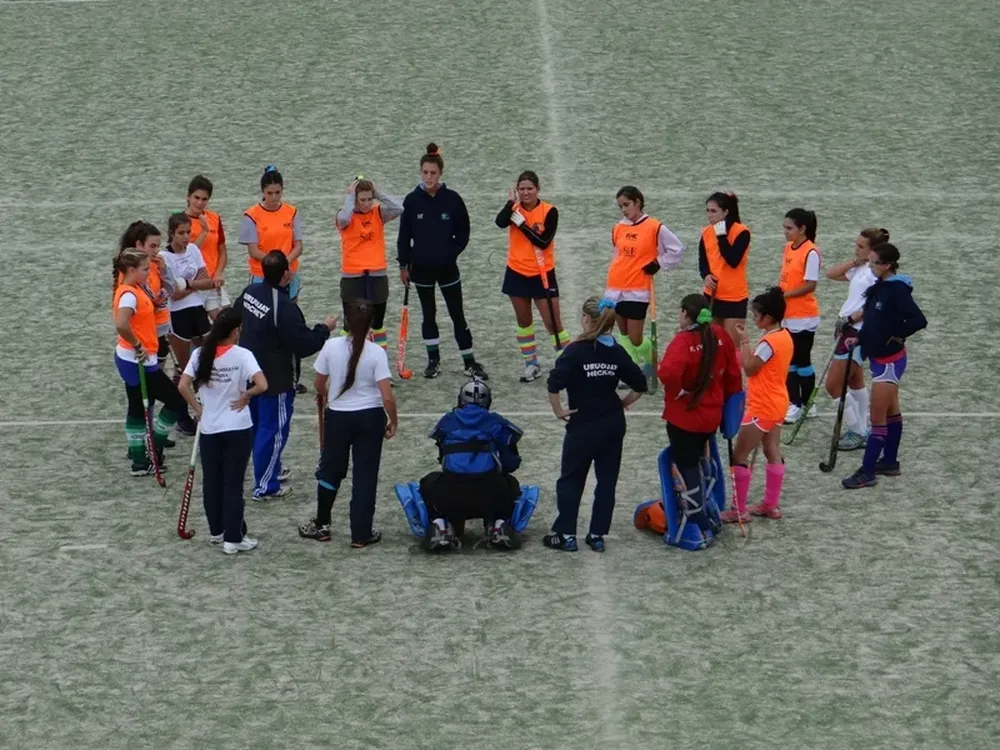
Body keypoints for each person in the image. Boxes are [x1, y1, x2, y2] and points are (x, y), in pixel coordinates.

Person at [544, 296, 648, 552]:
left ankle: (566, 535)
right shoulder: (615, 349)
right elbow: (641, 384)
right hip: (612, 424)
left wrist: (559, 410)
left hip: (583, 425)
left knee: (570, 479)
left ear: (587, 319)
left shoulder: (575, 351)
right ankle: (597, 535)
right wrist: (622, 403)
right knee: (607, 481)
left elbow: (554, 383)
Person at [236, 251, 336, 501]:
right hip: (276, 380)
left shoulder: (250, 292)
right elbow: (304, 345)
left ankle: (272, 468)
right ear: (286, 275)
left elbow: (235, 318)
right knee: (273, 431)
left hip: (250, 374)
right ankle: (265, 486)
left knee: (259, 427)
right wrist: (325, 329)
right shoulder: (286, 308)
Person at [298, 299, 398, 547]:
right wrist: (393, 420)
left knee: (330, 469)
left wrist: (327, 393)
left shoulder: (331, 347)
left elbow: (319, 385)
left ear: (346, 323)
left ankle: (322, 525)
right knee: (365, 475)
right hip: (370, 418)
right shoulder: (377, 353)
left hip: (338, 418)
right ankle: (361, 533)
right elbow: (386, 396)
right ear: (371, 325)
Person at [178, 308, 267, 555]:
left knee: (213, 481)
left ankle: (217, 531)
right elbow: (262, 385)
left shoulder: (199, 354)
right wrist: (246, 395)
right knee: (233, 484)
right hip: (237, 428)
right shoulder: (242, 355)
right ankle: (233, 537)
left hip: (210, 428)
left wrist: (198, 409)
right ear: (235, 331)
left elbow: (183, 385)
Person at [397, 143, 487, 380]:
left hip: (448, 269)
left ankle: (469, 361)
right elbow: (404, 236)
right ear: (420, 172)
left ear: (440, 173)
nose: (428, 177)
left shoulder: (453, 199)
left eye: (433, 173)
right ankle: (433, 361)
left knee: (457, 313)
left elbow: (464, 231)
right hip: (421, 271)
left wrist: (451, 252)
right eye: (425, 173)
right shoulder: (412, 201)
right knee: (429, 314)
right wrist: (403, 265)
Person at [841, 242, 927, 489]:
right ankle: (889, 461)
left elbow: (918, 319)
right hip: (879, 359)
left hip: (889, 363)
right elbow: (873, 320)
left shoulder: (897, 290)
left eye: (875, 262)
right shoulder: (879, 287)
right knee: (891, 413)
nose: (870, 266)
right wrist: (859, 338)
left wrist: (897, 334)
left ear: (887, 265)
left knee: (877, 419)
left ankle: (867, 471)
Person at [655, 293, 742, 529]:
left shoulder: (683, 342)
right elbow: (734, 376)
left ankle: (695, 515)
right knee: (703, 458)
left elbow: (667, 373)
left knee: (687, 464)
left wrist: (679, 390)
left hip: (686, 417)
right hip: (712, 415)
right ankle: (705, 502)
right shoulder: (720, 334)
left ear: (685, 314)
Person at [419, 378, 524, 552]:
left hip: (451, 496)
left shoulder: (448, 420)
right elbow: (510, 463)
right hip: (490, 496)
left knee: (429, 482)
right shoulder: (496, 422)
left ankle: (440, 525)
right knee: (511, 484)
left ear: (460, 400)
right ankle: (498, 525)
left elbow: (442, 459)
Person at [720, 287, 794, 525]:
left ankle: (738, 510)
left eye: (756, 315)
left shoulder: (768, 342)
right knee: (772, 451)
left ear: (768, 317)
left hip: (761, 406)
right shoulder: (785, 336)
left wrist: (743, 341)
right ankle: (771, 505)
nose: (753, 318)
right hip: (778, 403)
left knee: (739, 455)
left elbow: (750, 367)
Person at [111, 247, 188, 476]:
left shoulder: (135, 288)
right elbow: (121, 324)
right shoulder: (128, 294)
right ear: (131, 269)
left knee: (136, 406)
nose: (148, 273)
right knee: (176, 402)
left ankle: (140, 460)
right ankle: (154, 448)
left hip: (137, 358)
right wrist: (137, 345)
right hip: (138, 360)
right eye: (145, 269)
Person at [495, 170, 569, 382]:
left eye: (530, 188)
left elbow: (543, 241)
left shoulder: (549, 211)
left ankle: (566, 362)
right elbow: (500, 222)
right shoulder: (514, 209)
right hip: (516, 273)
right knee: (524, 320)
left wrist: (523, 226)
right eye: (522, 189)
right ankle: (531, 364)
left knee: (552, 323)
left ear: (538, 189)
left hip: (542, 274)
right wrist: (509, 204)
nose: (526, 192)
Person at [240, 164, 308, 392]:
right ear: (262, 192)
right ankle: (257, 375)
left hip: (289, 276)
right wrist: (276, 266)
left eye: (278, 192)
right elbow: (254, 251)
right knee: (260, 327)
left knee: (289, 323)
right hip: (263, 277)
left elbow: (298, 245)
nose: (274, 197)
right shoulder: (251, 215)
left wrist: (285, 264)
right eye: (269, 193)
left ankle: (292, 378)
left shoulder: (291, 211)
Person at [605, 185, 685, 380]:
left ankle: (653, 361)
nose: (624, 210)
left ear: (637, 202)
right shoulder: (618, 227)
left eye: (626, 205)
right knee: (623, 334)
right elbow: (618, 255)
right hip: (615, 288)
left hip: (638, 289)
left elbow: (677, 249)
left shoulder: (655, 227)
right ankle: (630, 371)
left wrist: (659, 263)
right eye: (620, 206)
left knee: (635, 337)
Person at [824, 228, 888, 450]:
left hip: (855, 332)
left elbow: (873, 306)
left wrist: (852, 319)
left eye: (861, 246)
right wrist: (855, 260)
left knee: (833, 385)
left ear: (874, 250)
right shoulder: (862, 268)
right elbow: (831, 274)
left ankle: (856, 430)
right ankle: (863, 429)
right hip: (845, 327)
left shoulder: (877, 276)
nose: (856, 248)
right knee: (855, 381)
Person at [162, 212, 219, 435]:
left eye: (188, 232)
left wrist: (186, 283)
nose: (186, 237)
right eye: (181, 233)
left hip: (197, 311)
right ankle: (182, 417)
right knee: (184, 370)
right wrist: (194, 284)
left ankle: (206, 410)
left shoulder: (194, 250)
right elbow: (173, 294)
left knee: (206, 362)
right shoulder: (164, 257)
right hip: (177, 316)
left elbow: (209, 281)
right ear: (172, 234)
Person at [335, 177, 404, 353]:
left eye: (369, 199)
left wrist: (378, 193)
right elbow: (343, 218)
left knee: (377, 324)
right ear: (355, 199)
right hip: (352, 276)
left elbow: (399, 208)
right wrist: (350, 197)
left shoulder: (378, 213)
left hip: (377, 275)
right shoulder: (345, 217)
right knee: (349, 326)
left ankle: (378, 366)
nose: (366, 204)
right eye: (362, 199)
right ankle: (346, 364)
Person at [778, 208, 821, 423]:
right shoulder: (788, 248)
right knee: (791, 361)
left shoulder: (810, 252)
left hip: (803, 316)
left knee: (801, 360)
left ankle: (802, 404)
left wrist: (784, 294)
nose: (785, 232)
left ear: (802, 229)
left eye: (789, 228)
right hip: (788, 314)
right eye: (784, 227)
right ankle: (798, 402)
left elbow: (809, 285)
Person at [699, 192, 751, 353]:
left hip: (734, 297)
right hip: (712, 294)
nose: (709, 215)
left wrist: (721, 236)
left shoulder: (741, 232)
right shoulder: (706, 232)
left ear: (726, 212)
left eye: (713, 211)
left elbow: (732, 260)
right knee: (712, 345)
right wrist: (706, 275)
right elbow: (703, 261)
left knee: (731, 348)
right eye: (708, 211)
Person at [184, 174, 229, 320]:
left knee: (228, 323)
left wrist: (219, 273)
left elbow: (222, 250)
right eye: (196, 197)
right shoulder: (180, 221)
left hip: (213, 282)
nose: (199, 203)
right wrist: (203, 232)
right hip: (193, 285)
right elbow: (185, 253)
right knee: (197, 333)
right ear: (188, 197)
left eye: (204, 199)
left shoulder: (214, 218)